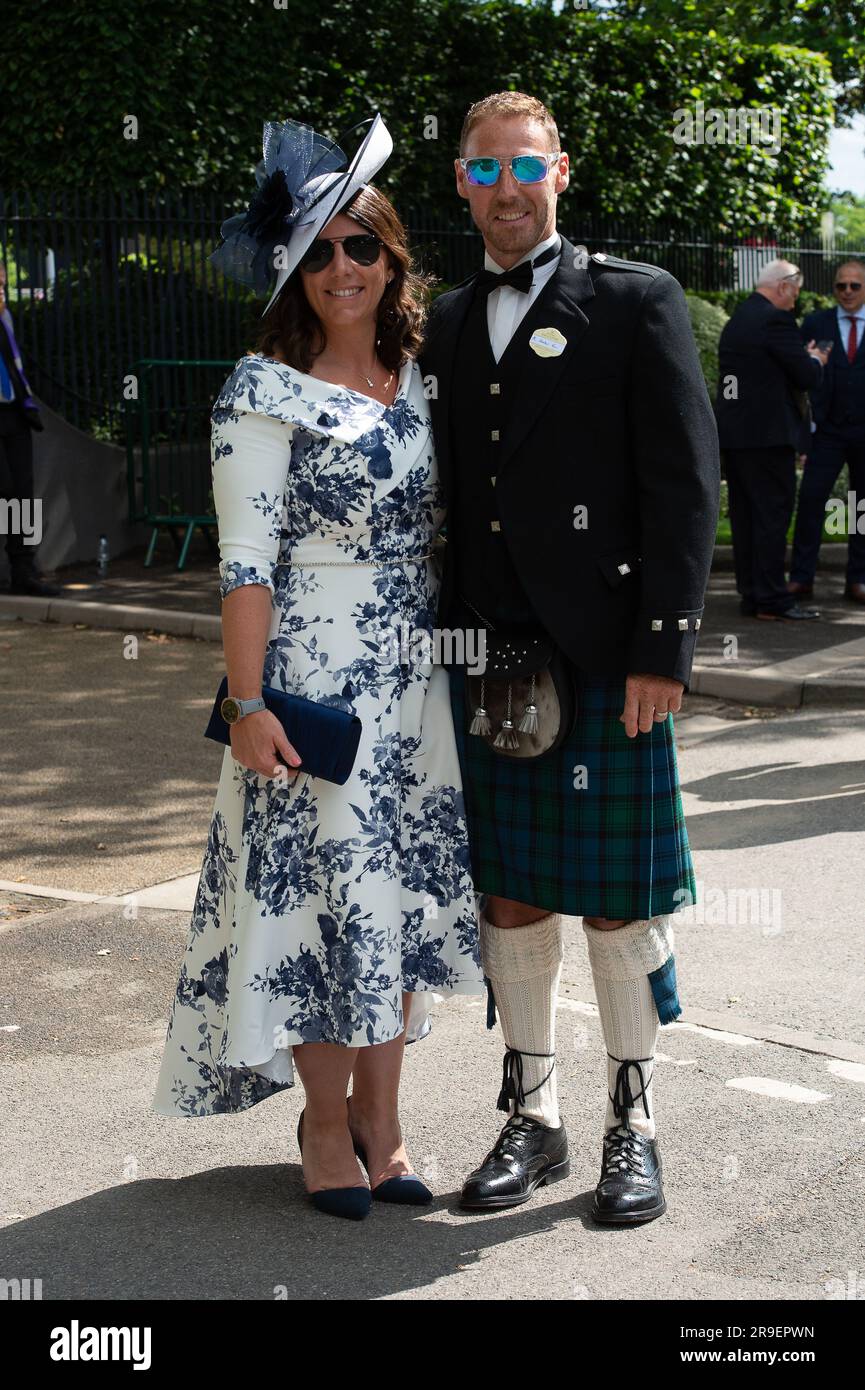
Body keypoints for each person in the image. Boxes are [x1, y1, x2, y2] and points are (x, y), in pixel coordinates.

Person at [152, 115, 485, 1220]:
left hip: (412, 682)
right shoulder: (261, 392)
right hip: (312, 681)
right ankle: (326, 1123)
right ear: (295, 269)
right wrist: (249, 705)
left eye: (364, 246)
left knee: (389, 902)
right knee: (322, 907)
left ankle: (387, 1127)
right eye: (323, 250)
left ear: (393, 259)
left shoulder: (422, 375)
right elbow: (244, 565)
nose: (343, 267)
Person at [419, 91, 720, 1225]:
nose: (506, 190)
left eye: (524, 167)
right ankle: (532, 1118)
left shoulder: (634, 300)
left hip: (605, 652)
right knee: (507, 896)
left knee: (618, 904)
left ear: (559, 171)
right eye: (484, 170)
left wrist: (664, 650)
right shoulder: (446, 318)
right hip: (487, 655)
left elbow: (686, 486)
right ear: (462, 182)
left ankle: (631, 1125)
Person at [715, 259, 828, 620]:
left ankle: (752, 594)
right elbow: (805, 376)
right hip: (768, 439)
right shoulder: (776, 320)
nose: (794, 302)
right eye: (794, 293)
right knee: (771, 519)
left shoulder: (740, 317)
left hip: (737, 438)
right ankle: (773, 600)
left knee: (747, 519)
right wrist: (816, 360)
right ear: (783, 286)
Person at [788, 259, 865, 605]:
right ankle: (802, 578)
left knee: (860, 506)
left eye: (855, 286)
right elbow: (800, 377)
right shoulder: (816, 323)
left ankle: (859, 578)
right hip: (827, 432)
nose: (847, 291)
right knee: (811, 501)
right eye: (840, 286)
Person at [0, 262, 59, 596]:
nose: (1, 292)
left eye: (3, 285)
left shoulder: (5, 320)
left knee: (23, 494)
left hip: (14, 412)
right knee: (5, 490)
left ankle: (24, 568)